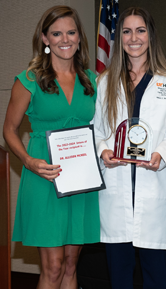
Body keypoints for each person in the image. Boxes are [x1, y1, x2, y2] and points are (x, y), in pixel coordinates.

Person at [3, 6, 100, 289]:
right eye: (56, 33)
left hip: (81, 181)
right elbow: (8, 130)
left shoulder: (91, 80)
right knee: (53, 267)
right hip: (44, 176)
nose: (65, 39)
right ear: (45, 38)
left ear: (80, 37)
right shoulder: (29, 80)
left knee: (71, 265)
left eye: (71, 32)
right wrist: (28, 161)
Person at [92, 7, 166, 289]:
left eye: (140, 30)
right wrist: (104, 151)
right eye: (126, 31)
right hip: (116, 192)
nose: (133, 38)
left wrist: (161, 155)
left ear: (150, 36)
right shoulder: (105, 82)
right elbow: (98, 130)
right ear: (119, 38)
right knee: (119, 278)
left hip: (153, 188)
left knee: (156, 277)